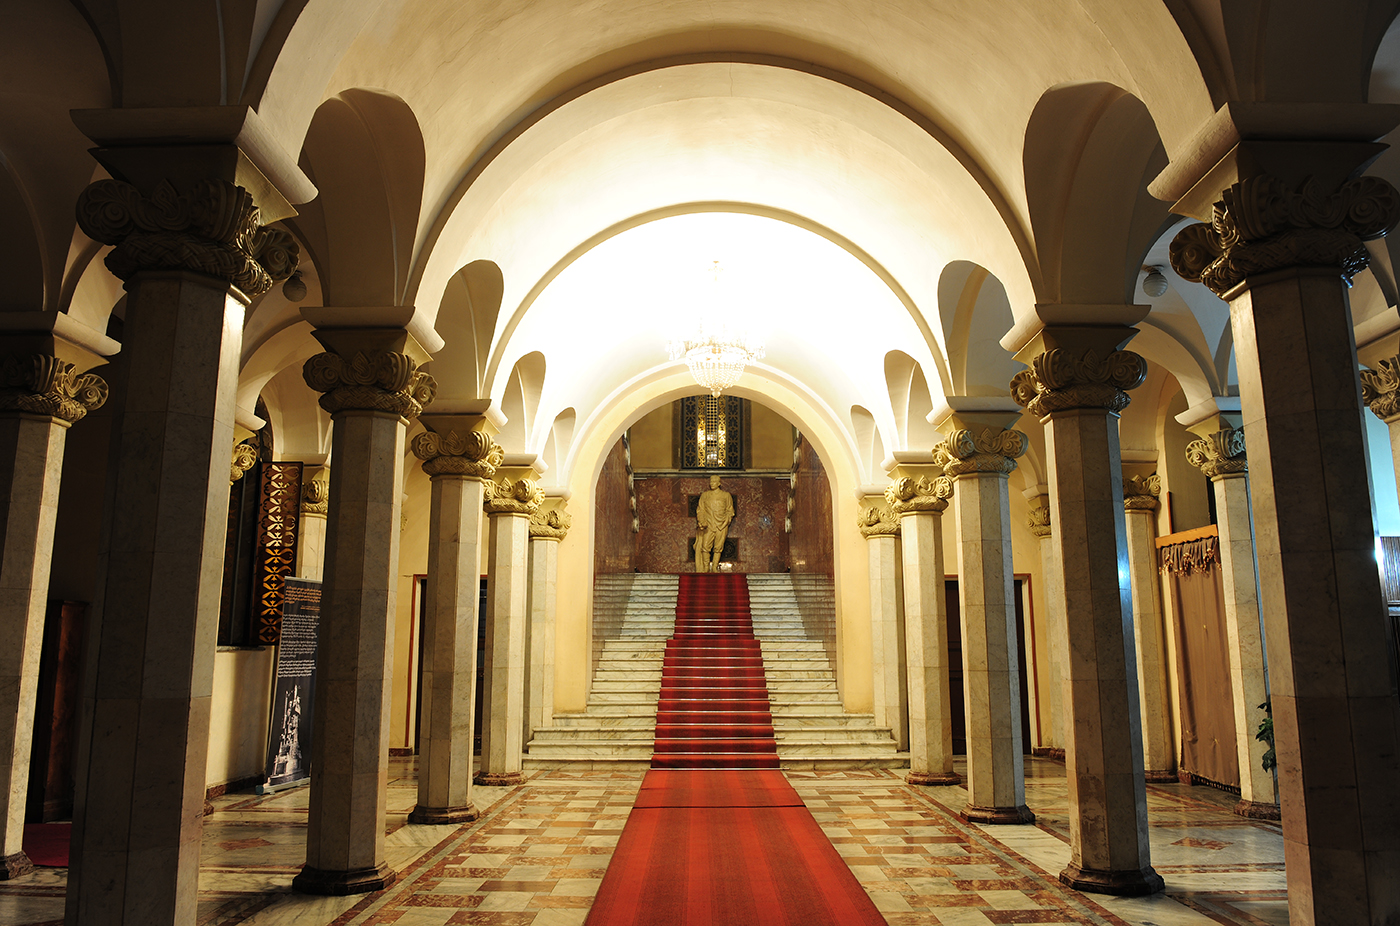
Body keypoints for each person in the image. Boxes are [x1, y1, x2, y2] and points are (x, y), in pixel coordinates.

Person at [694, 474, 734, 572]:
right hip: (708, 525)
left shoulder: (726, 495)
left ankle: (715, 567)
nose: (712, 483)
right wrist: (702, 521)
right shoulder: (705, 495)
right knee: (705, 547)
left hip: (721, 525)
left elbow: (730, 511)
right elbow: (700, 510)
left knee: (718, 547)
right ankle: (706, 567)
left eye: (714, 482)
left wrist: (726, 521)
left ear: (719, 483)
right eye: (711, 482)